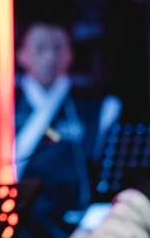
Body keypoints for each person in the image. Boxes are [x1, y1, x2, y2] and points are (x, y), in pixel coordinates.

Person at [14, 20, 122, 238]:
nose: (50, 57)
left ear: (70, 55)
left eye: (58, 48)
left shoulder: (98, 110)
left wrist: (92, 223)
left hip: (80, 228)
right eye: (41, 48)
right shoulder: (2, 110)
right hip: (19, 225)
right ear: (21, 55)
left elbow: (111, 178)